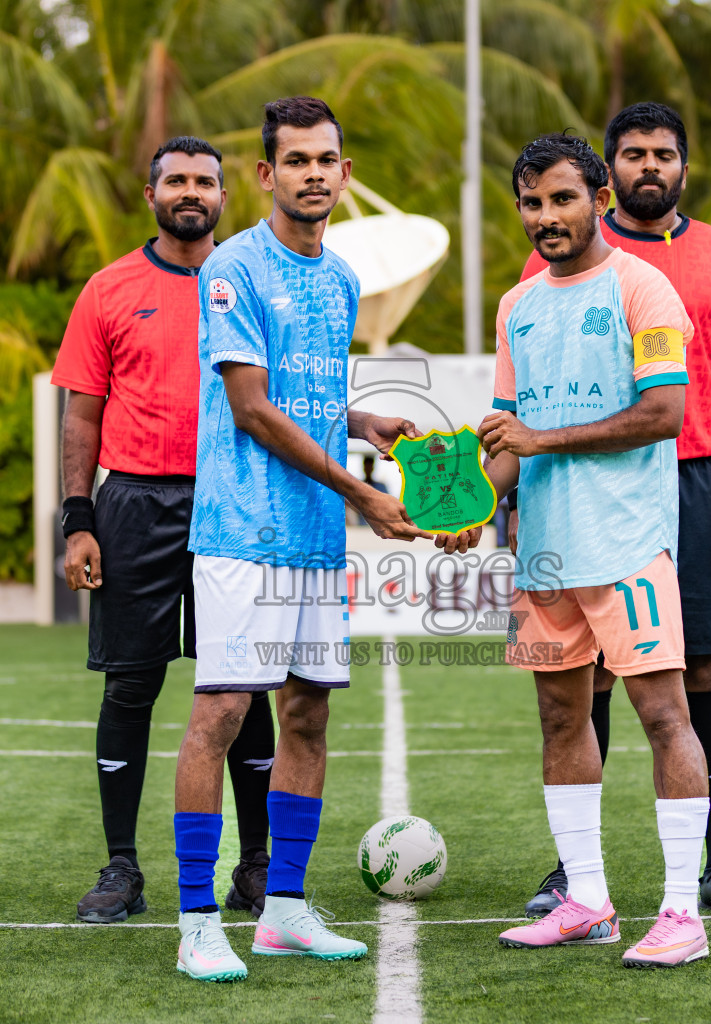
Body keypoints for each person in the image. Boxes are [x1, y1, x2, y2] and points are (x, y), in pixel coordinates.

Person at [173, 96, 431, 983]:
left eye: (326, 160)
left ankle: (283, 910)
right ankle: (197, 920)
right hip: (242, 531)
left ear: (345, 174)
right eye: (296, 160)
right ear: (266, 173)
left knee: (308, 715)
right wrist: (361, 491)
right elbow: (251, 408)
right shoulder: (233, 268)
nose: (312, 174)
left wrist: (364, 423)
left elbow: (304, 396)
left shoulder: (343, 278)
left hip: (314, 538)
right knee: (220, 714)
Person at [519, 103, 711, 920]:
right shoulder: (546, 264)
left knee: (701, 671)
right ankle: (573, 875)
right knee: (578, 678)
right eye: (632, 153)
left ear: (682, 168)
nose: (649, 167)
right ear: (609, 174)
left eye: (662, 154)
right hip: (583, 487)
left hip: (696, 482)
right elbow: (524, 402)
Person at [462, 131, 711, 968]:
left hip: (627, 543)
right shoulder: (517, 306)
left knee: (664, 716)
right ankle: (587, 901)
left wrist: (540, 439)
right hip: (545, 553)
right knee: (561, 717)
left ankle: (682, 914)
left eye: (562, 198)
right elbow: (509, 436)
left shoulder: (644, 288)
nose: (546, 216)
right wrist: (475, 503)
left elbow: (663, 414)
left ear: (599, 199)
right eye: (530, 203)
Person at [52, 137, 276, 924]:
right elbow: (82, 415)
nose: (191, 191)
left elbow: (280, 401)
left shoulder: (251, 283)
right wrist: (78, 521)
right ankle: (122, 868)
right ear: (151, 195)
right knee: (130, 685)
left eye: (204, 181)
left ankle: (256, 867)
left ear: (224, 196)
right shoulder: (109, 288)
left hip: (235, 501)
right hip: (135, 503)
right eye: (176, 180)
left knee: (244, 684)